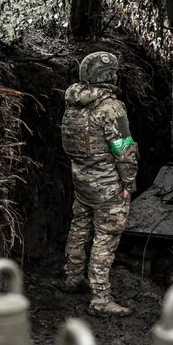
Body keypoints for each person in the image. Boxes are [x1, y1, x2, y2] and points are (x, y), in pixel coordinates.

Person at [61, 51, 139, 317]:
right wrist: (129, 182)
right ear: (107, 76)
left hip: (81, 179)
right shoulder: (111, 108)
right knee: (106, 237)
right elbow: (124, 149)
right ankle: (100, 298)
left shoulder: (73, 103)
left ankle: (72, 277)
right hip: (107, 185)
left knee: (79, 228)